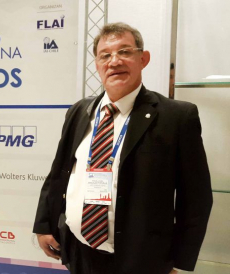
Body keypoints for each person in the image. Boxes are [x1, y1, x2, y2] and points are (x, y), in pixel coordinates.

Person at [33, 22, 212, 274]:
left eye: (125, 52)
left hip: (143, 260)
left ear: (143, 58)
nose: (114, 61)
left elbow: (196, 198)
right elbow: (58, 173)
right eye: (105, 55)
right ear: (96, 65)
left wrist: (180, 264)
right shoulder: (79, 111)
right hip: (81, 250)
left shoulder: (177, 117)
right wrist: (44, 224)